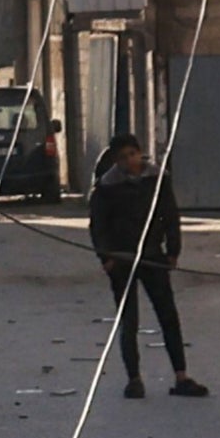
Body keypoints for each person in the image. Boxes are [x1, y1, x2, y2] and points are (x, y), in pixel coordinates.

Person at [86, 124, 203, 396]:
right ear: (116, 161)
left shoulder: (157, 179)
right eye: (123, 157)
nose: (130, 161)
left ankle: (181, 376)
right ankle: (134, 379)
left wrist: (173, 251)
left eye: (132, 154)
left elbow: (170, 217)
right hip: (122, 260)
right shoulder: (106, 188)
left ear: (140, 153)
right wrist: (106, 257)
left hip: (153, 257)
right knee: (129, 321)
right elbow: (98, 226)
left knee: (168, 316)